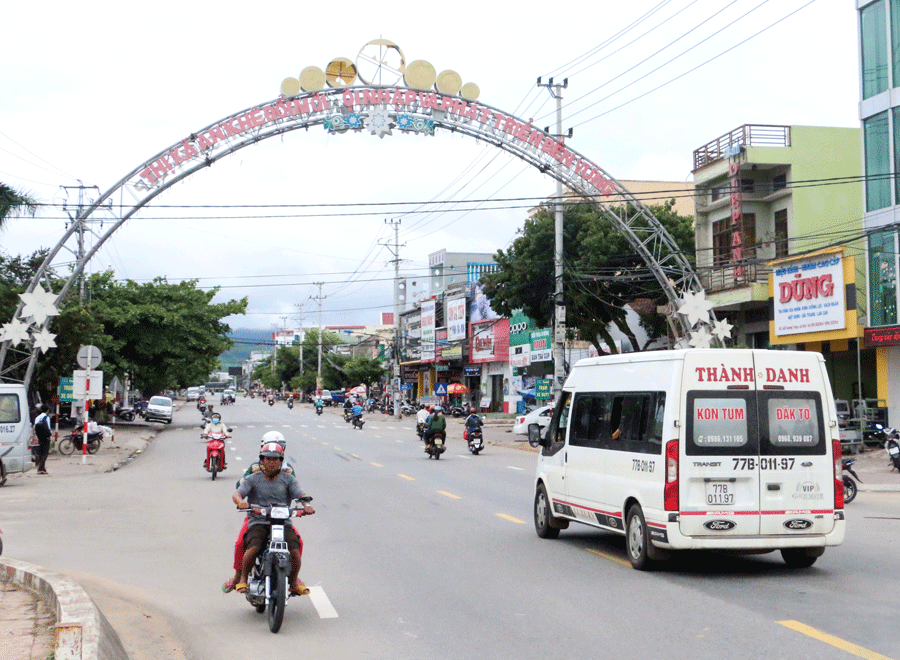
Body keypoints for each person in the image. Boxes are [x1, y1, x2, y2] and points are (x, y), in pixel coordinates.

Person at [231, 439, 314, 597]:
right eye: (268, 459)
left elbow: (301, 494)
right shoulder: (253, 478)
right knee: (253, 547)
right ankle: (242, 578)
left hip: (283, 523)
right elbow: (238, 493)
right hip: (259, 521)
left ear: (281, 461)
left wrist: (306, 505)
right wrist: (241, 502)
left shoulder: (288, 479)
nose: (271, 462)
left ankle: (294, 581)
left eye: (275, 459)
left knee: (295, 551)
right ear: (261, 460)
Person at [33, 404, 52, 475]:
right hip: (45, 437)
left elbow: (35, 427)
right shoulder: (47, 417)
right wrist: (49, 435)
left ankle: (40, 467)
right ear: (48, 410)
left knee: (40, 452)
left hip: (39, 437)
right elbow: (48, 428)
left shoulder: (37, 417)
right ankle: (42, 468)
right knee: (45, 452)